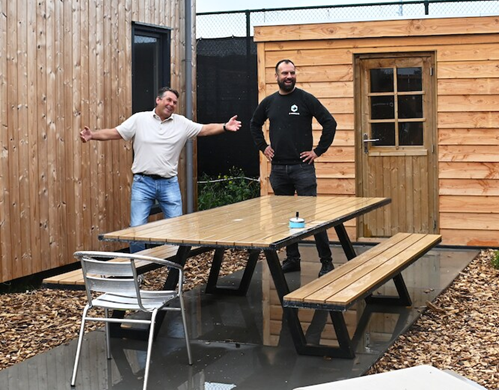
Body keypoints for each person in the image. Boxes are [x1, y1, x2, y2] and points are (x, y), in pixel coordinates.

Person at [79, 86, 241, 252]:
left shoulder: (182, 123)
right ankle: (139, 267)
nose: (171, 104)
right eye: (168, 100)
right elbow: (116, 133)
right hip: (142, 183)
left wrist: (224, 126)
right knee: (136, 230)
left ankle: (173, 266)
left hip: (169, 184)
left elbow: (204, 129)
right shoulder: (140, 119)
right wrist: (93, 135)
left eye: (175, 102)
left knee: (176, 229)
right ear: (158, 100)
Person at [249, 59, 337, 276]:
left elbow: (330, 122)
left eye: (292, 73)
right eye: (284, 73)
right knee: (285, 217)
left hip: (303, 168)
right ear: (276, 77)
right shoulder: (269, 102)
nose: (289, 76)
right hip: (278, 170)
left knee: (312, 217)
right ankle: (292, 259)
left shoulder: (305, 99)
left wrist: (318, 151)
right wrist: (263, 147)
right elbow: (254, 124)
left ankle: (326, 262)